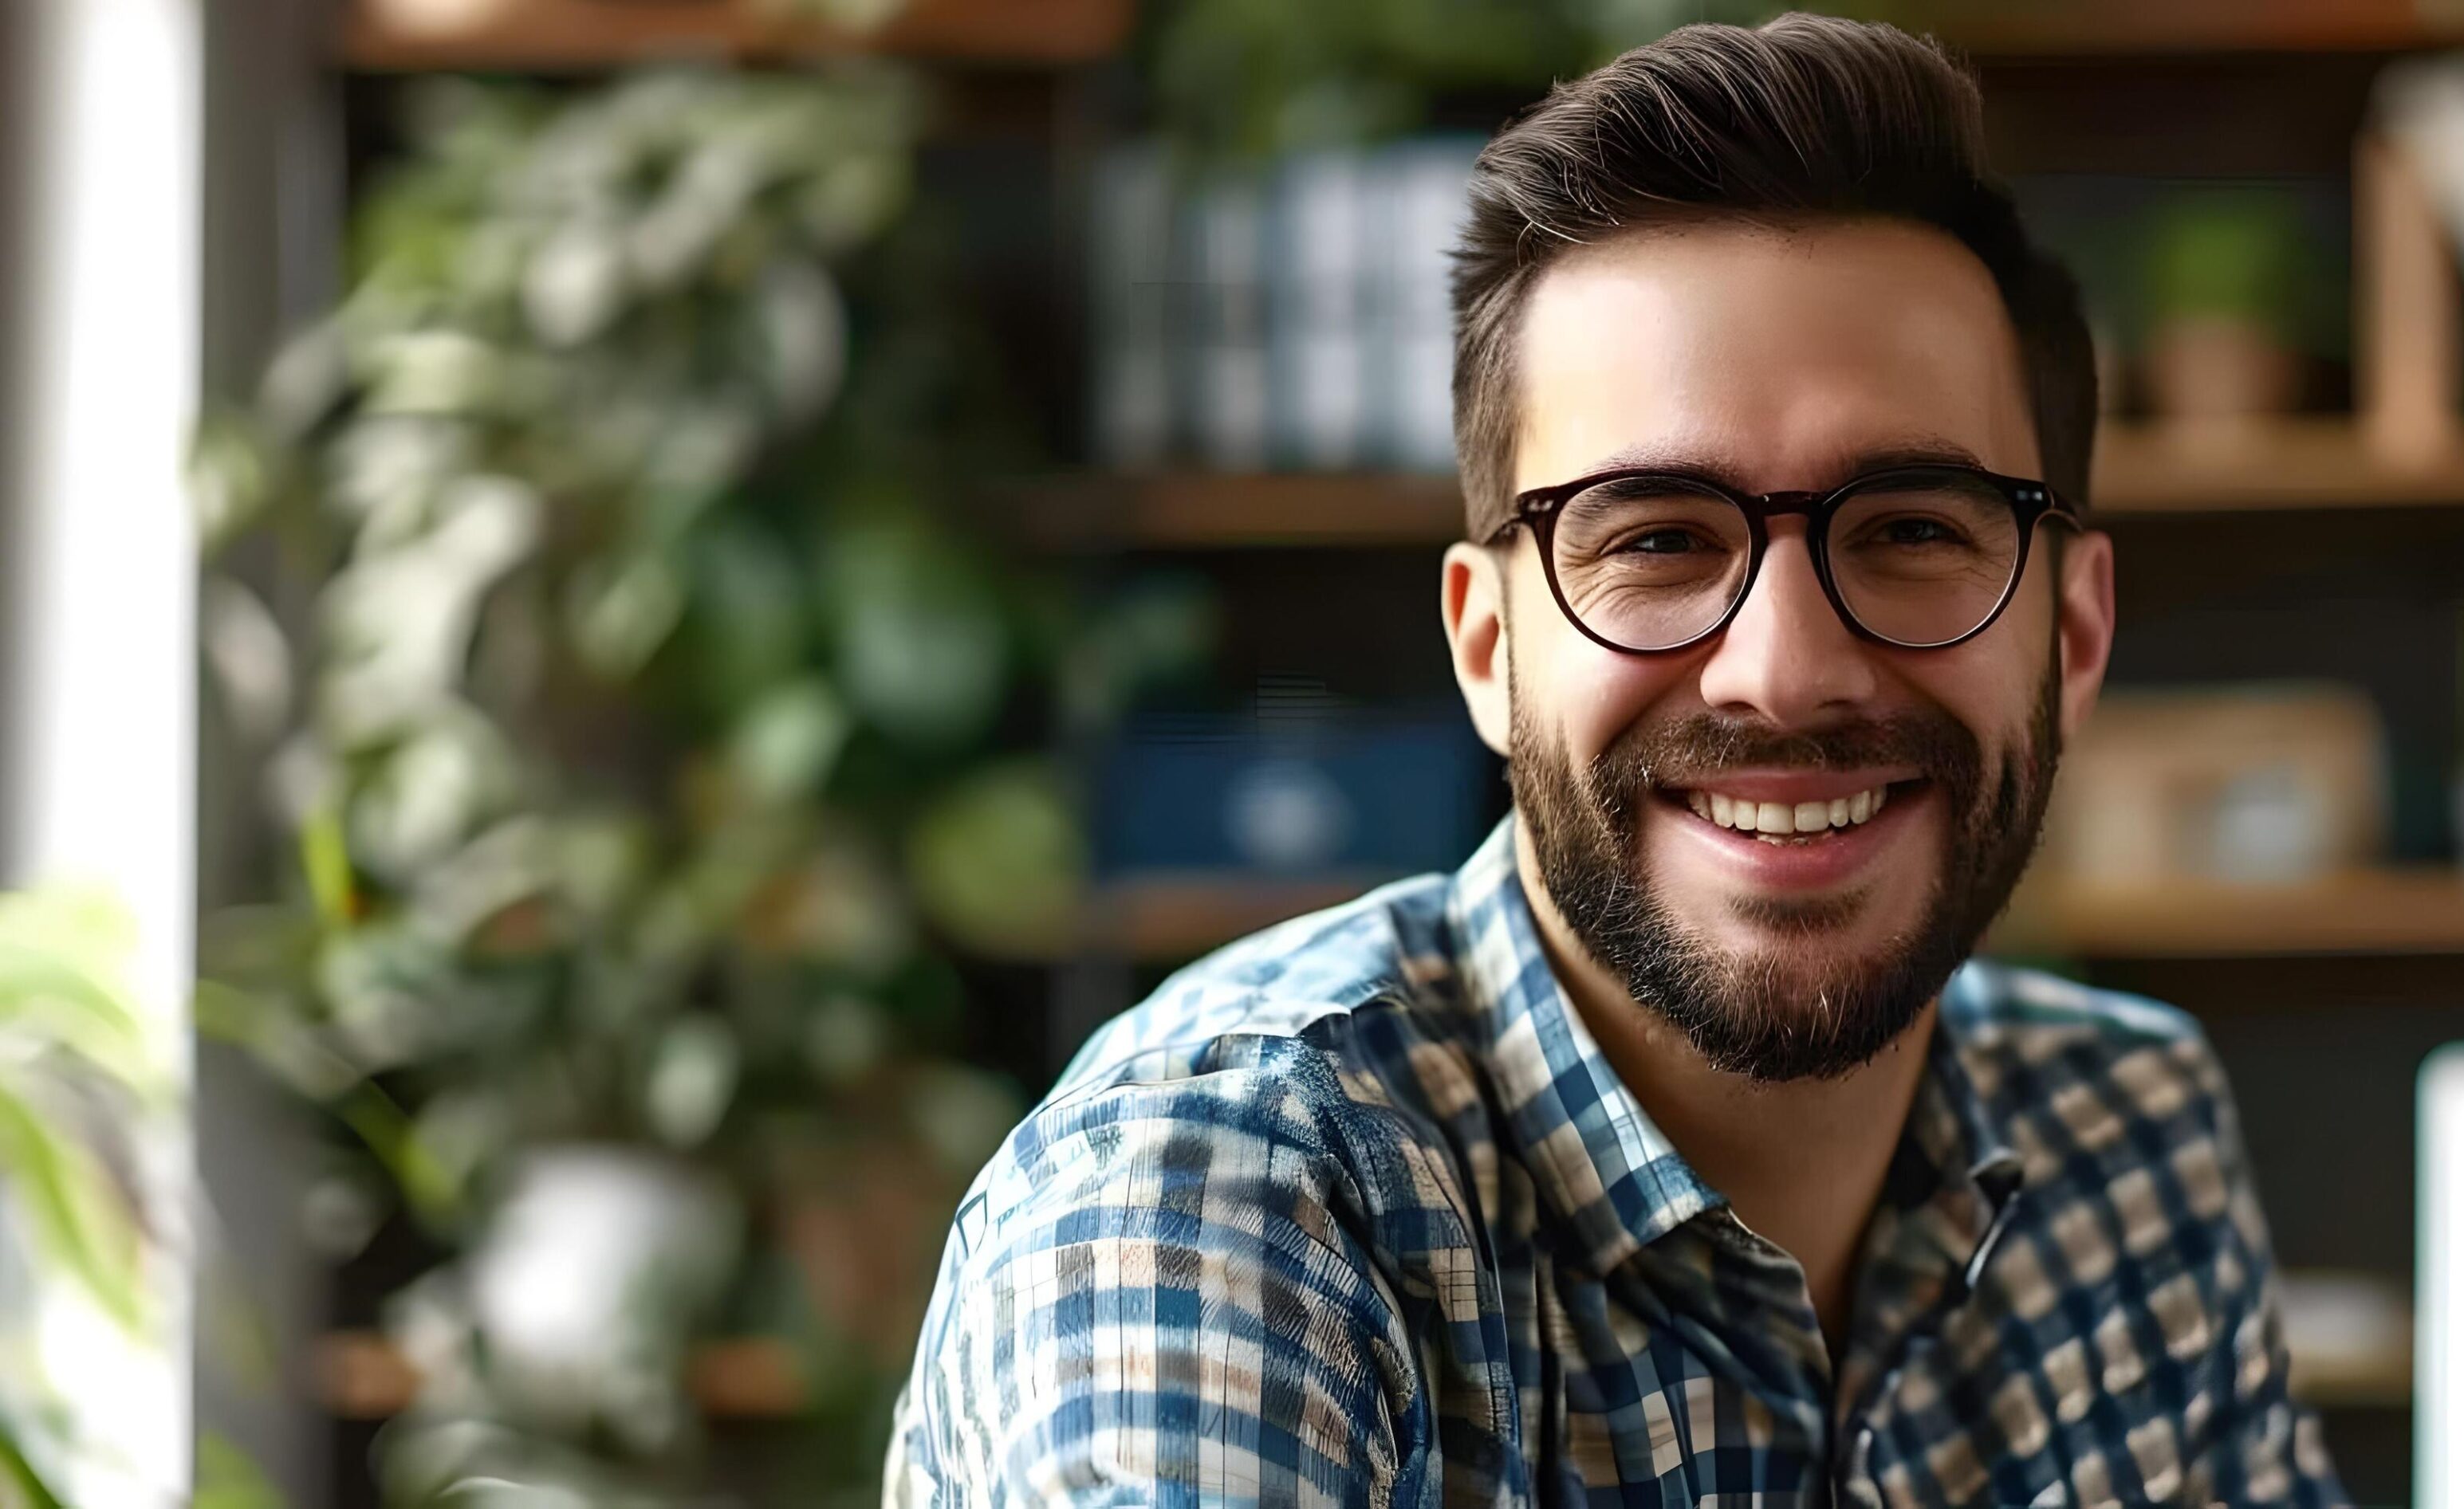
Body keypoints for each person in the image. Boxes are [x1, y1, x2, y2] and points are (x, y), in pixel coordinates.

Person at [888, 16, 2348, 1506]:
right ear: (1488, 648)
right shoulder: (1207, 1208)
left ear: (2075, 633)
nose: (1784, 671)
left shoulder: (2130, 1134)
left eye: (1913, 529)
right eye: (1655, 538)